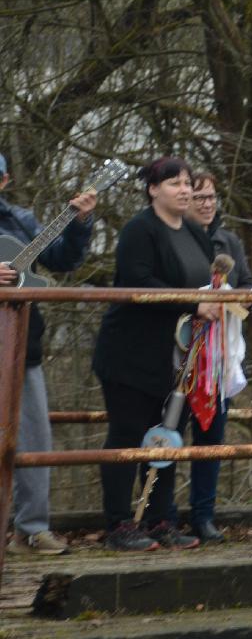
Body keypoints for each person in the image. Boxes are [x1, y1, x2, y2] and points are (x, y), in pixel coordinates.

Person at [93, 157, 216, 552]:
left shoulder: (196, 233)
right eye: (174, 183)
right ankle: (118, 524)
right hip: (130, 353)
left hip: (175, 357)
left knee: (166, 436)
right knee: (127, 434)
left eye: (186, 183)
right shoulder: (139, 230)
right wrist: (194, 305)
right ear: (153, 190)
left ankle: (162, 519)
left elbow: (209, 281)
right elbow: (138, 281)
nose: (184, 190)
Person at [0, 153, 96, 556]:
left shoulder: (21, 221)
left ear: (5, 180)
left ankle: (31, 531)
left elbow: (63, 260)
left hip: (22, 345)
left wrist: (79, 225)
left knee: (35, 436)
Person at [182, 172, 252, 544]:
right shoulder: (176, 240)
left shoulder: (229, 241)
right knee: (170, 431)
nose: (207, 203)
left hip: (219, 355)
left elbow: (247, 285)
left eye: (211, 196)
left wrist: (238, 299)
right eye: (199, 197)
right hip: (180, 353)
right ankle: (157, 514)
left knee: (212, 436)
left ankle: (204, 515)